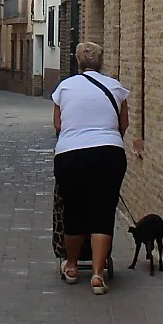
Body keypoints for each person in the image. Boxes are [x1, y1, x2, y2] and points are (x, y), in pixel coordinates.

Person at [51, 40, 129, 295]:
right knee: (103, 213)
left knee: (73, 211)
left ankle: (72, 267)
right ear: (101, 62)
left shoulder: (64, 87)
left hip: (71, 155)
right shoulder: (116, 87)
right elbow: (123, 124)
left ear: (78, 63)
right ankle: (97, 275)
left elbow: (58, 126)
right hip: (109, 153)